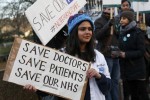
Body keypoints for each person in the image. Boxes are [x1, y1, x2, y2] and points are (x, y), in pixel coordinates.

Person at [23, 14, 112, 100]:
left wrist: (99, 76)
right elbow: (49, 84)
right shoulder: (61, 55)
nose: (87, 32)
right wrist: (36, 88)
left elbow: (108, 88)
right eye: (82, 29)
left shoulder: (99, 56)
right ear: (74, 32)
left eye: (90, 29)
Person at [118, 11, 149, 100]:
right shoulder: (122, 32)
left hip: (137, 69)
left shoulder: (137, 33)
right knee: (131, 94)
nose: (121, 21)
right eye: (120, 18)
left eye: (124, 18)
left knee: (141, 94)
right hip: (126, 70)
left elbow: (141, 51)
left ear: (130, 19)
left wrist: (126, 55)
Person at [94, 7, 120, 100]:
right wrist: (108, 25)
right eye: (107, 8)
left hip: (116, 54)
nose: (109, 11)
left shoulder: (116, 20)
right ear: (104, 9)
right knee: (107, 81)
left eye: (111, 9)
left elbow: (119, 35)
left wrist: (117, 25)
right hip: (106, 54)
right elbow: (97, 35)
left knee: (115, 81)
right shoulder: (98, 21)